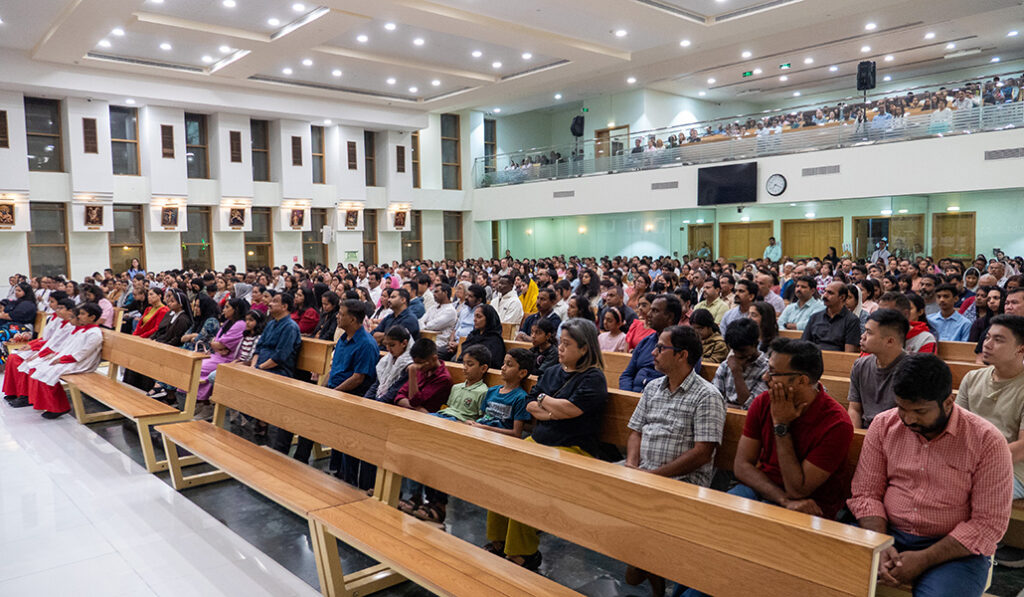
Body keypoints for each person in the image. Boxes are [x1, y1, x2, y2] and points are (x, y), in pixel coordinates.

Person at [848, 353, 1012, 597]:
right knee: (823, 574)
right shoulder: (884, 425)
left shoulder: (986, 441)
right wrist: (879, 542)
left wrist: (923, 559)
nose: (909, 419)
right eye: (902, 408)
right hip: (886, 531)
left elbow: (987, 524)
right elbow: (866, 493)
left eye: (920, 411)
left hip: (954, 549)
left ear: (948, 402)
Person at [486, 318, 608, 570]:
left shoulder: (593, 378)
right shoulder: (552, 371)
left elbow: (571, 409)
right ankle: (498, 542)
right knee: (501, 470)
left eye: (567, 344)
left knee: (526, 480)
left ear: (584, 348)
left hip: (574, 447)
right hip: (540, 441)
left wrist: (547, 405)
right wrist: (551, 408)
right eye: (560, 343)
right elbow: (531, 405)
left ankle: (523, 554)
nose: (560, 348)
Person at [625, 325, 726, 596]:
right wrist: (633, 467)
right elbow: (635, 430)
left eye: (661, 348)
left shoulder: (707, 396)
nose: (653, 353)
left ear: (682, 355)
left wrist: (653, 476)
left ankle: (645, 564)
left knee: (637, 555)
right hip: (644, 473)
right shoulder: (653, 388)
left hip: (682, 482)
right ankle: (645, 566)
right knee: (594, 485)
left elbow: (703, 452)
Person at [733, 338, 854, 518]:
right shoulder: (763, 402)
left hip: (812, 505)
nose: (765, 377)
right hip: (763, 488)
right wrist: (783, 499)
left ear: (801, 380)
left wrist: (781, 426)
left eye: (773, 372)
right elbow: (741, 466)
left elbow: (798, 490)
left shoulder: (836, 423)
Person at [956, 315, 1024, 564]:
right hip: (970, 460)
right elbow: (956, 428)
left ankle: (977, 551)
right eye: (987, 338)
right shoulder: (972, 379)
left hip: (1013, 468)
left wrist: (978, 464)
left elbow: (1022, 447)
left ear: (1021, 348)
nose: (987, 344)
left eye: (998, 340)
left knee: (964, 488)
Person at [340, 325, 413, 488]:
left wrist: (372, 409)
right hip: (376, 408)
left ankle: (368, 485)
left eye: (392, 345)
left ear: (404, 343)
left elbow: (394, 393)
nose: (388, 349)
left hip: (393, 412)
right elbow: (376, 385)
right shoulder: (386, 360)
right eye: (386, 345)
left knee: (368, 440)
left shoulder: (409, 365)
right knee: (351, 432)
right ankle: (348, 480)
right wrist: (365, 404)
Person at [23, 303, 105, 419]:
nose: (79, 317)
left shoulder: (94, 333)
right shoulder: (82, 330)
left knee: (47, 371)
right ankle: (48, 404)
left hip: (81, 363)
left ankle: (60, 407)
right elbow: (68, 347)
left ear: (92, 317)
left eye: (82, 314)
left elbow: (82, 354)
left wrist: (62, 359)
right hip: (70, 359)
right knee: (40, 368)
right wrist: (56, 356)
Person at [4, 298, 76, 408]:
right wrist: (33, 346)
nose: (55, 308)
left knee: (29, 364)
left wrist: (39, 353)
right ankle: (18, 392)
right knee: (14, 357)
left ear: (70, 311)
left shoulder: (68, 325)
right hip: (48, 349)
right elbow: (48, 339)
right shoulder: (55, 319)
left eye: (59, 306)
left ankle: (28, 396)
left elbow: (58, 344)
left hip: (58, 353)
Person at [848, 309, 909, 429]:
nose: (863, 336)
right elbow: (855, 409)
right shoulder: (860, 365)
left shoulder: (911, 369)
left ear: (890, 341)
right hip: (866, 431)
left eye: (869, 332)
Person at [193, 298, 248, 420]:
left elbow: (222, 344)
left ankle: (207, 406)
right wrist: (217, 345)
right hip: (218, 355)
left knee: (199, 368)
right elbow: (216, 342)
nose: (224, 310)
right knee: (192, 363)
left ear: (236, 309)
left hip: (228, 360)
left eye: (227, 307)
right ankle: (200, 403)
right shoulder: (229, 322)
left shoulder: (240, 324)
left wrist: (218, 345)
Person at [619, 295, 683, 391]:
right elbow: (627, 374)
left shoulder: (683, 345)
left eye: (655, 311)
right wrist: (628, 396)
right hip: (634, 396)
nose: (648, 314)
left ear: (670, 317)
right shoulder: (645, 342)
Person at [468, 348, 533, 438]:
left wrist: (484, 428)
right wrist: (472, 423)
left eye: (509, 365)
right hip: (480, 432)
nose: (503, 367)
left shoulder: (521, 398)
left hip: (499, 439)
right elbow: (483, 418)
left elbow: (516, 433)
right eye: (504, 363)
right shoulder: (491, 391)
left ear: (522, 373)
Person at [713, 318, 770, 409]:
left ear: (755, 344)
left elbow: (753, 408)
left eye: (742, 350)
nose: (737, 354)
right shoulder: (725, 365)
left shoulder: (766, 369)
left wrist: (737, 373)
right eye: (734, 350)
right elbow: (713, 400)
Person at [394, 337, 453, 414]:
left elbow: (414, 401)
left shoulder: (443, 378)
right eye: (415, 363)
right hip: (412, 413)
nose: (417, 366)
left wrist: (412, 372)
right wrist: (418, 408)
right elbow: (399, 396)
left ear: (434, 358)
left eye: (420, 363)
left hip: (428, 420)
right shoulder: (423, 369)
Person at [801, 281, 861, 352]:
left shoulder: (852, 320)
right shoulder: (815, 317)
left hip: (837, 360)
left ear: (842, 297)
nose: (825, 295)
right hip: (814, 359)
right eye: (825, 291)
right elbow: (803, 345)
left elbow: (849, 353)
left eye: (830, 293)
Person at [458, 304, 506, 369]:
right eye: (474, 316)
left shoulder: (495, 340)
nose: (474, 319)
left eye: (479, 316)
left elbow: (493, 364)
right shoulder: (472, 336)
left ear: (488, 319)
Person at [0, 282, 39, 350]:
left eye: (19, 291)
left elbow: (13, 316)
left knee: (2, 334)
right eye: (16, 290)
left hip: (23, 328)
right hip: (13, 325)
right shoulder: (20, 301)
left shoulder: (27, 304)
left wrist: (3, 315)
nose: (16, 292)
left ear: (26, 292)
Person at [419, 283, 458, 349]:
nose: (434, 294)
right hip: (425, 340)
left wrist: (425, 324)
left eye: (437, 292)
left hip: (439, 343)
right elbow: (420, 321)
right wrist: (425, 325)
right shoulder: (433, 307)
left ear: (445, 293)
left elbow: (432, 326)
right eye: (434, 292)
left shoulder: (450, 311)